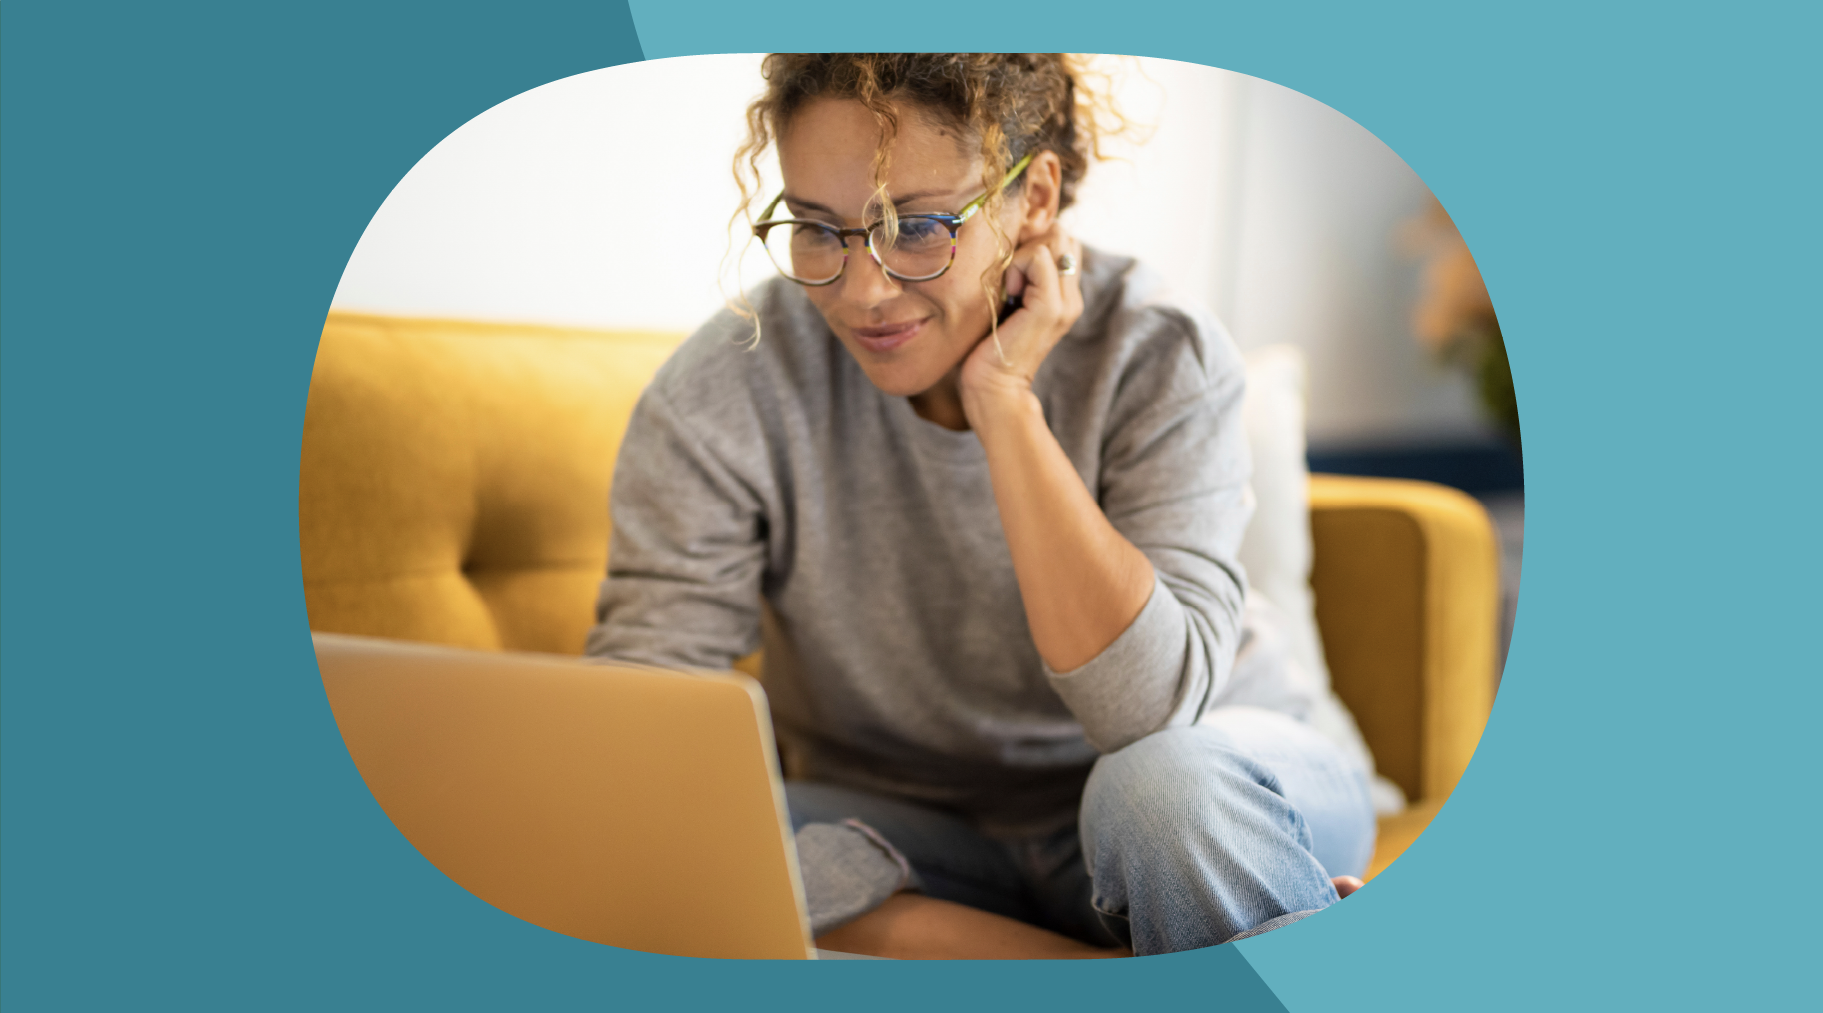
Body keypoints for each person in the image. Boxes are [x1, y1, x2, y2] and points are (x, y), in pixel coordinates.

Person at [586, 53, 1375, 959]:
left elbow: (1148, 712)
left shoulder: (1158, 350)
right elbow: (649, 696)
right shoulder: (727, 383)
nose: (861, 290)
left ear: (1033, 197)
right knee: (699, 849)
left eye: (917, 226)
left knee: (1161, 789)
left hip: (1204, 784)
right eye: (816, 229)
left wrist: (1003, 403)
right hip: (915, 831)